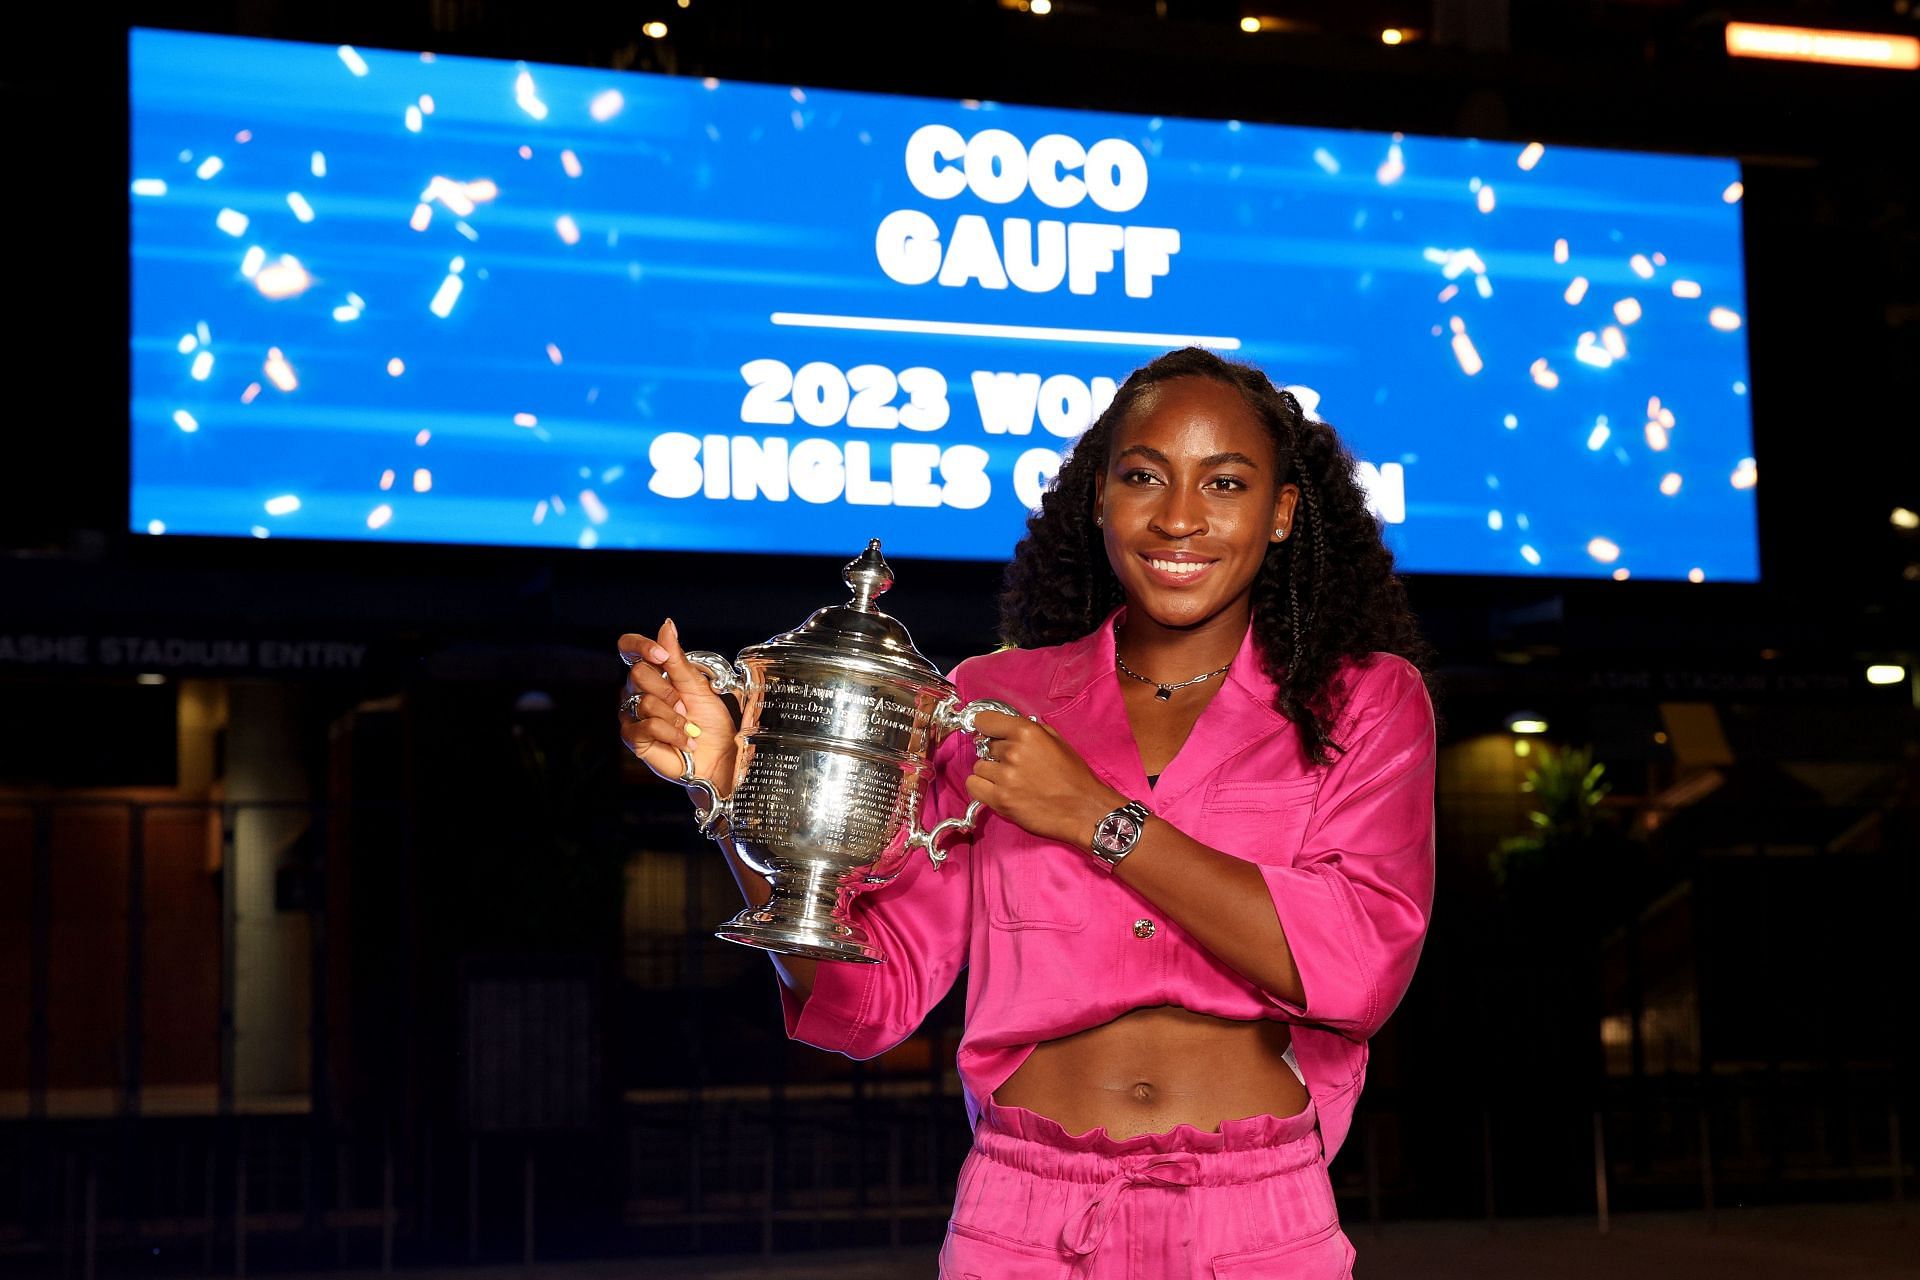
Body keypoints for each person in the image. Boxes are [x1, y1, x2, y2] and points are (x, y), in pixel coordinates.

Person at [618, 346, 1438, 1278]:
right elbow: (867, 1000)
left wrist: (1098, 817)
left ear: (1283, 512)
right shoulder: (990, 701)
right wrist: (735, 791)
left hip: (1255, 1215)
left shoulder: (1360, 701)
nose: (1178, 516)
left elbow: (1359, 969)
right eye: (1142, 477)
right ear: (1097, 499)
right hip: (1023, 1218)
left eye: (1225, 483)